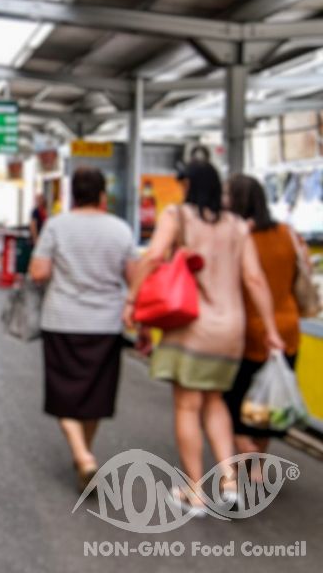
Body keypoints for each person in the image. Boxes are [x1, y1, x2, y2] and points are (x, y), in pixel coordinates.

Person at [124, 162, 284, 512]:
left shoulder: (178, 215)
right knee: (216, 402)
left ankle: (194, 491)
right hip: (231, 330)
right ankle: (228, 483)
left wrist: (132, 299)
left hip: (191, 325)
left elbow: (152, 257)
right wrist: (271, 331)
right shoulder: (238, 226)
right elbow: (255, 280)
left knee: (187, 405)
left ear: (187, 184)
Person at [28, 168, 137, 490]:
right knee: (95, 395)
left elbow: (38, 272)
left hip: (63, 321)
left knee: (65, 392)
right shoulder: (120, 229)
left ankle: (84, 457)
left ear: (72, 194)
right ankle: (84, 453)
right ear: (103, 195)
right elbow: (134, 277)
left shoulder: (57, 226)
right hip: (106, 324)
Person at [222, 175, 301, 480]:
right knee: (265, 401)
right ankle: (257, 464)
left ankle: (245, 454)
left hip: (248, 328)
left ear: (236, 200)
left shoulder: (238, 236)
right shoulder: (288, 234)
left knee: (229, 399)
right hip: (287, 326)